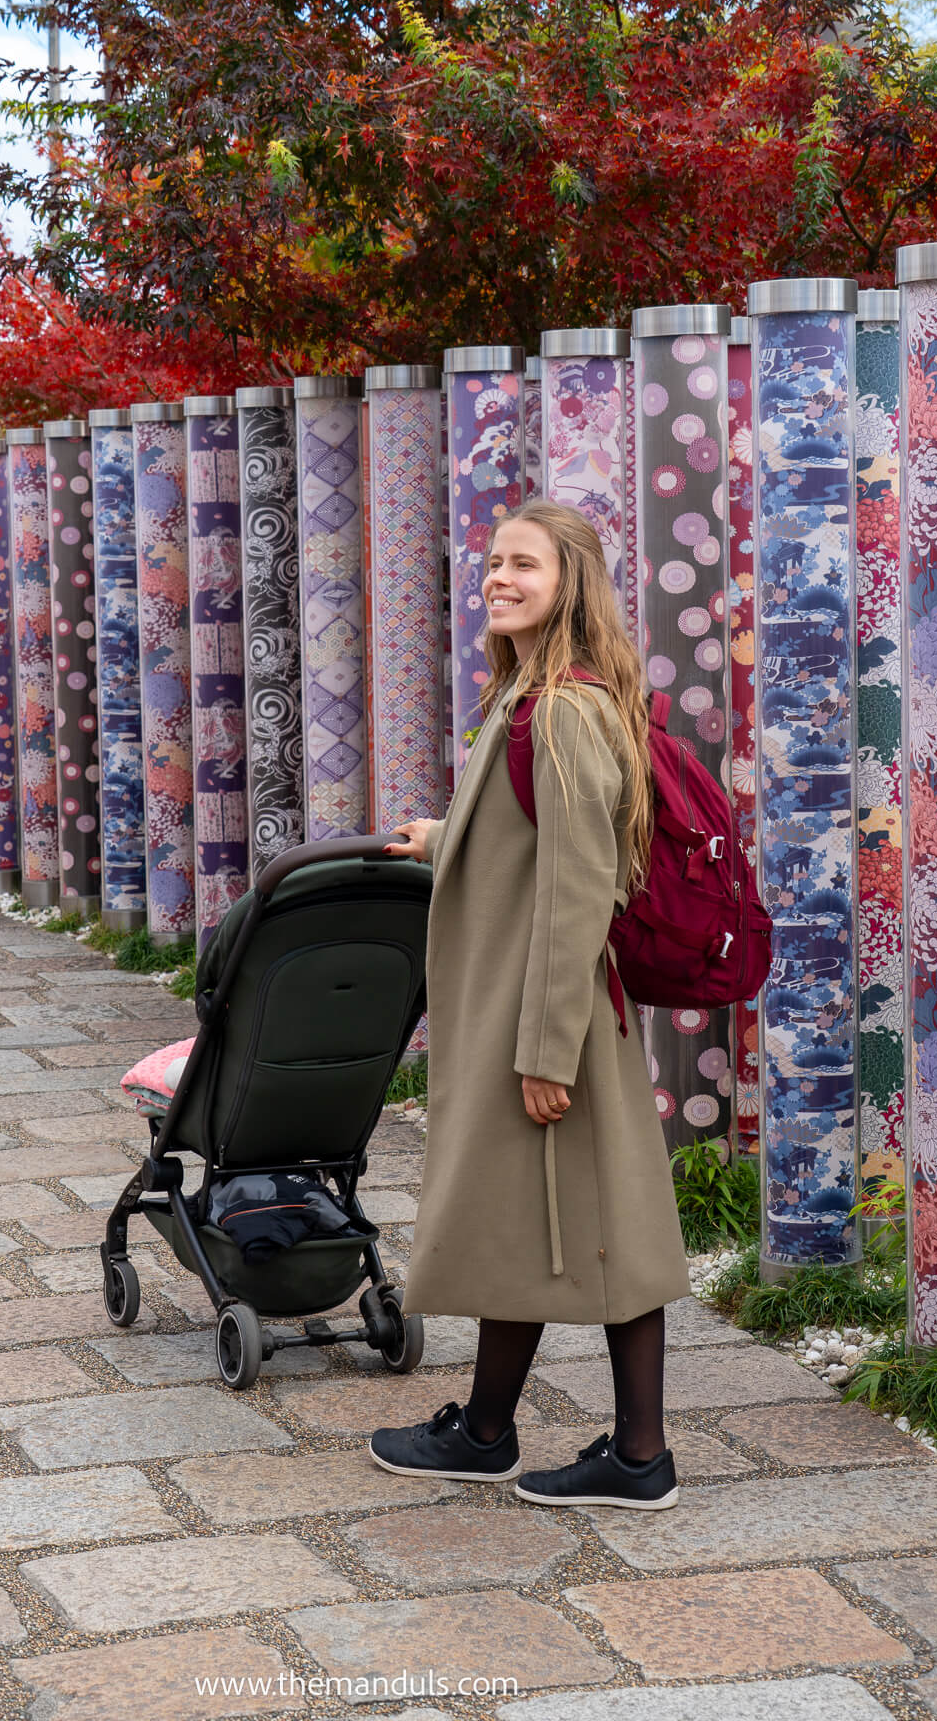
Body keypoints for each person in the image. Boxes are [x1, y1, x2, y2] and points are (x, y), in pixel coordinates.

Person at [370, 499, 690, 1510]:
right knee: (537, 1219)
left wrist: (545, 1050)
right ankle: (486, 1429)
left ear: (569, 586)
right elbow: (535, 839)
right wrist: (448, 833)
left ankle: (635, 1457)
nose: (497, 577)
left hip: (546, 1018)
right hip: (533, 1012)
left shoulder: (556, 709)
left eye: (523, 566)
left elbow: (575, 888)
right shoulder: (533, 698)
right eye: (492, 561)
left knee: (604, 1228)